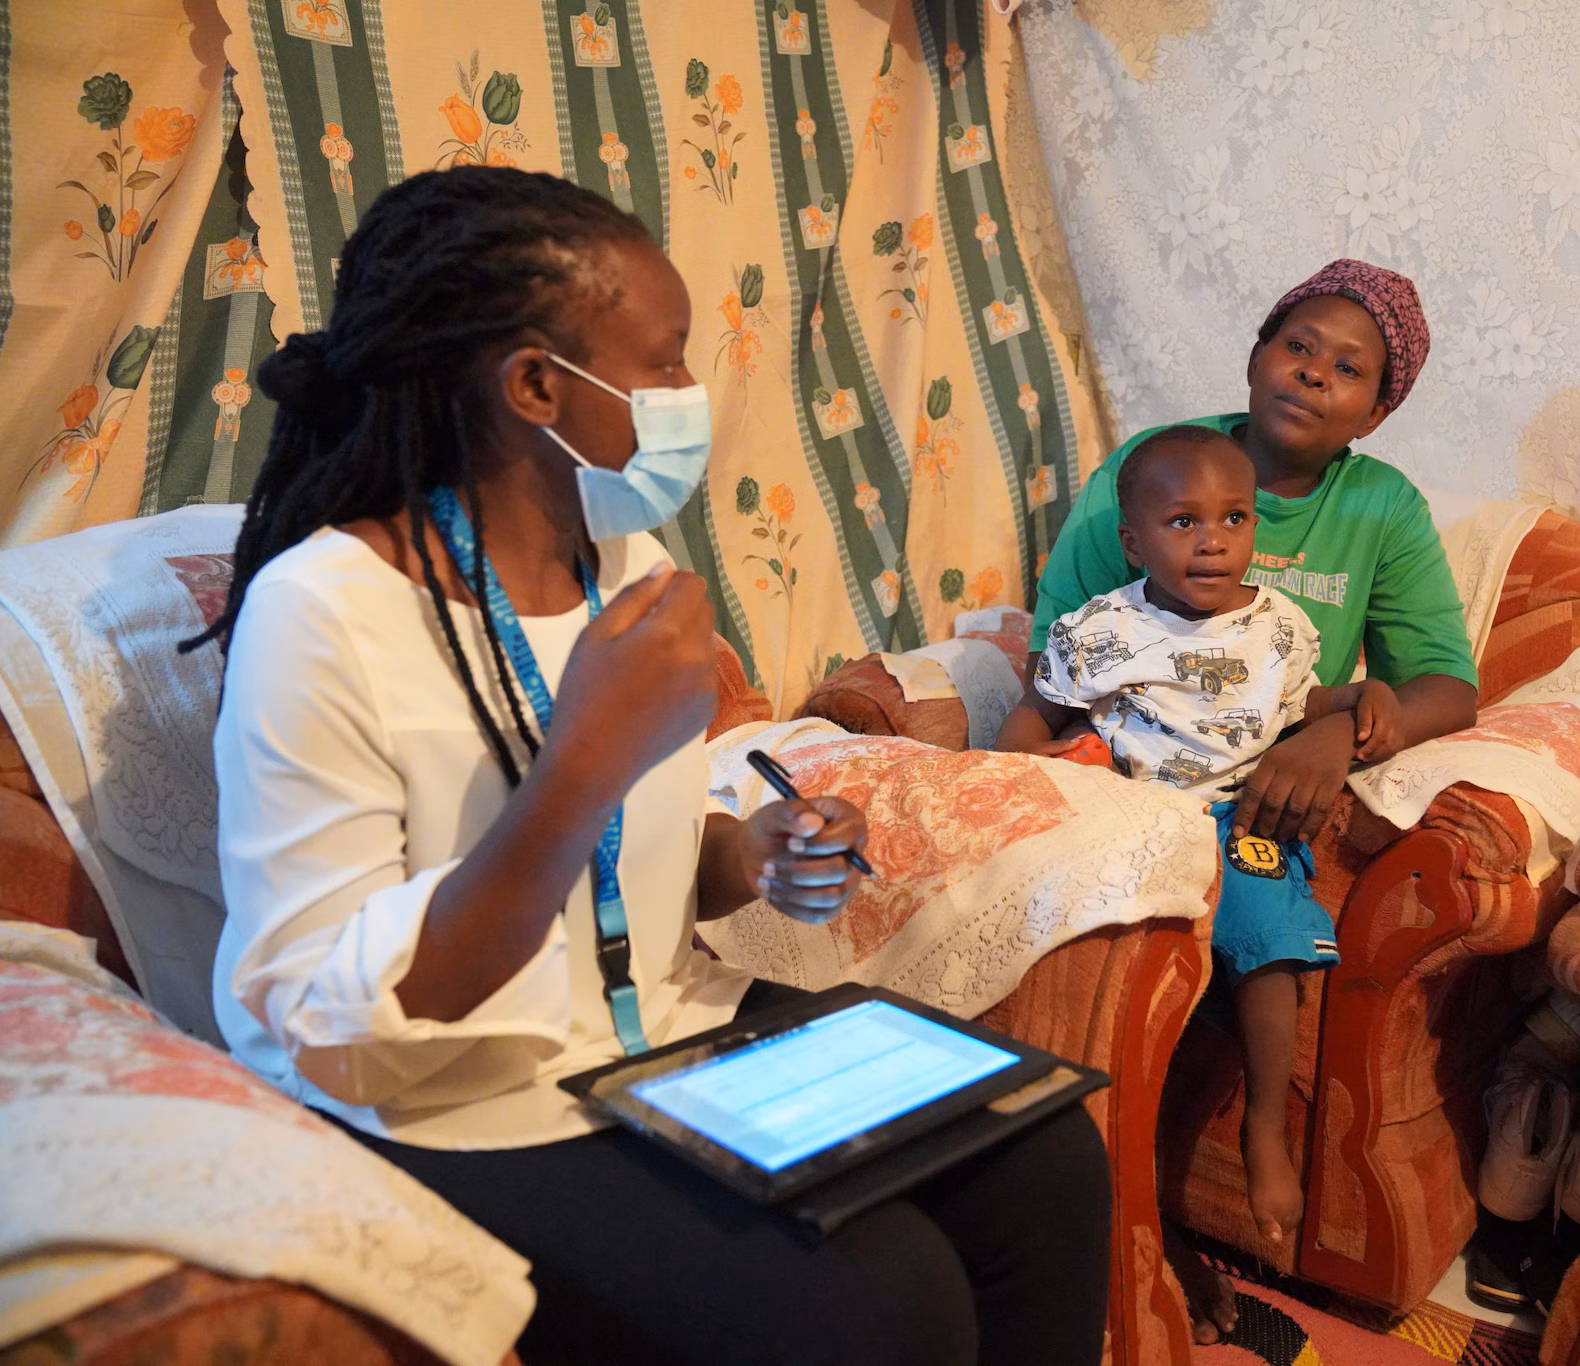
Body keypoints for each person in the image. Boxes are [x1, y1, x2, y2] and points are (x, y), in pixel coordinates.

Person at [196, 166, 1109, 1366]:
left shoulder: (622, 561)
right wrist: (578, 766)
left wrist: (743, 852)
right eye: (667, 361)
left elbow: (637, 867)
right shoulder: (326, 608)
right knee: (881, 1303)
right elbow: (320, 1002)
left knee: (1036, 1155)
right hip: (455, 1092)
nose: (692, 392)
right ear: (535, 384)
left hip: (661, 1035)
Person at [1026, 259, 1479, 1343]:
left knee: (1250, 939)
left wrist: (1333, 734)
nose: (1313, 374)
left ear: (1376, 408)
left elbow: (1442, 685)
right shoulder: (1154, 468)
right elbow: (1065, 652)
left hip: (1265, 793)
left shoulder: (1379, 505)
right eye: (1297, 345)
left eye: (1347, 369)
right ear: (1255, 349)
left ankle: (1168, 1208)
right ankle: (1120, 1218)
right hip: (1136, 776)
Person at [995, 423, 1369, 1257]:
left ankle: (1265, 1128)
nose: (1213, 542)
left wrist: (1356, 706)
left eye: (1235, 519)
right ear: (1134, 540)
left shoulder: (1280, 626)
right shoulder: (1101, 631)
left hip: (1243, 814)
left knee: (1269, 931)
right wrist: (1018, 753)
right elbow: (1036, 712)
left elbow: (1300, 707)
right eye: (1183, 523)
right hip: (1135, 813)